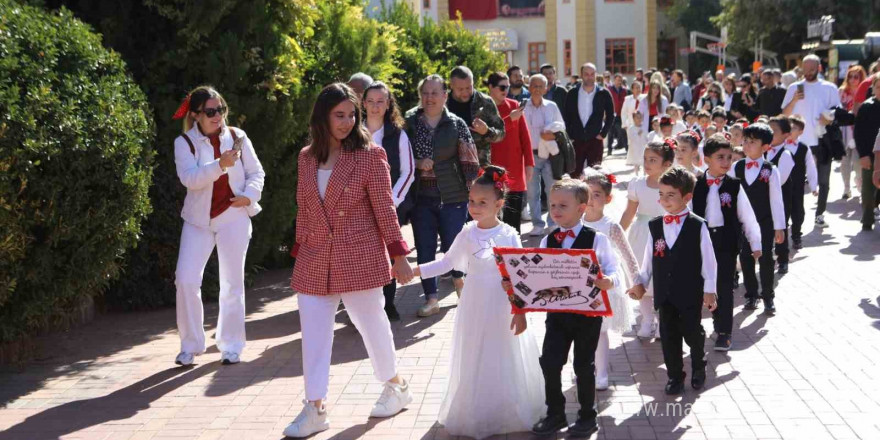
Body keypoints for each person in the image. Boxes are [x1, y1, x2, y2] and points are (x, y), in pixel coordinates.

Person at [285, 83, 413, 438]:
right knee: (313, 335)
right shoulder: (306, 157)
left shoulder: (371, 155)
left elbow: (386, 208)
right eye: (338, 115)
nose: (346, 122)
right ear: (322, 117)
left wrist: (398, 253)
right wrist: (300, 248)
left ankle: (396, 385)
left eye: (351, 115)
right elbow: (304, 206)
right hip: (314, 257)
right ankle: (315, 407)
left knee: (372, 326)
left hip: (359, 254)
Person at [414, 166, 545, 439]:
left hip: (500, 304)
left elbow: (518, 274)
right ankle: (478, 410)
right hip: (474, 302)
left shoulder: (509, 234)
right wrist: (416, 271)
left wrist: (520, 310)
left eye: (482, 202)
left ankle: (505, 408)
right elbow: (448, 262)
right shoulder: (467, 233)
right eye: (471, 201)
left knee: (502, 351)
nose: (474, 207)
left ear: (499, 204)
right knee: (476, 351)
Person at [171, 85, 266, 367]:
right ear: (197, 115)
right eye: (210, 112)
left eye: (221, 109)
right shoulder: (184, 143)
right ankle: (190, 345)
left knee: (232, 282)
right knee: (185, 279)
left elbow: (256, 172)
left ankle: (231, 345)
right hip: (198, 221)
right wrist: (220, 165)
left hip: (233, 216)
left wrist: (249, 195)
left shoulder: (237, 136)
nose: (217, 116)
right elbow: (190, 179)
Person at [530, 178, 621, 438]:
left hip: (587, 314)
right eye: (552, 205)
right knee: (550, 362)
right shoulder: (548, 240)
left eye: (563, 206)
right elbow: (537, 272)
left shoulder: (597, 239)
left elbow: (614, 270)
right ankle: (555, 413)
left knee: (583, 365)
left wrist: (608, 281)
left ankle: (587, 415)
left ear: (582, 208)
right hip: (557, 313)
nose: (556, 211)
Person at [627, 166, 718, 395]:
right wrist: (641, 282)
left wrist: (709, 289)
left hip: (690, 291)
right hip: (664, 292)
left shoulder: (698, 225)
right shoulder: (655, 225)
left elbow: (709, 260)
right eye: (661, 194)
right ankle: (675, 376)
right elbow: (648, 260)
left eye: (671, 195)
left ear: (687, 197)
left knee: (691, 331)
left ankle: (698, 366)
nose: (664, 200)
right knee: (668, 336)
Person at [405, 74, 481, 316]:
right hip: (421, 198)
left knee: (454, 246)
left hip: (453, 197)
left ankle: (459, 280)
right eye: (425, 93)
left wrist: (473, 196)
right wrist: (417, 162)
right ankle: (431, 298)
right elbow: (398, 157)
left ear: (445, 96)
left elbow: (470, 160)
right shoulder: (409, 122)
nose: (429, 98)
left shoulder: (456, 123)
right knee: (425, 249)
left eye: (435, 93)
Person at [693, 134, 762, 351]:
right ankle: (713, 319)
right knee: (705, 283)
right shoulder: (695, 185)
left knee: (724, 285)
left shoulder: (734, 186)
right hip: (702, 241)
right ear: (706, 159)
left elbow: (747, 215)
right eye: (720, 157)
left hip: (726, 241)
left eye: (729, 157)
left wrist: (756, 242)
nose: (725, 162)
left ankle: (725, 332)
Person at [582, 169, 638, 391]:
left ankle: (602, 372)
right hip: (579, 286)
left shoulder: (611, 227)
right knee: (581, 331)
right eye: (586, 193)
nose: (590, 200)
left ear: (608, 199)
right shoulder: (573, 223)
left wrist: (636, 282)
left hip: (605, 285)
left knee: (599, 330)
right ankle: (585, 369)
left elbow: (627, 256)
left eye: (596, 194)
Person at [363, 81, 415, 321]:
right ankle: (363, 307)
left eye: (380, 101)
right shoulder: (353, 132)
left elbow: (408, 171)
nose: (375, 107)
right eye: (371, 101)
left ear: (388, 104)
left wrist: (391, 200)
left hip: (388, 206)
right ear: (363, 103)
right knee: (361, 256)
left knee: (388, 253)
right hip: (358, 207)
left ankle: (388, 303)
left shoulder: (398, 134)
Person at [620, 140, 675, 339]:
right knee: (642, 280)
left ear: (667, 164)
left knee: (662, 280)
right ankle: (647, 320)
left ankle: (662, 323)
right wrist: (616, 235)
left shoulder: (672, 186)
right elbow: (629, 213)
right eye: (645, 159)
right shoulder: (637, 184)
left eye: (653, 159)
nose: (647, 163)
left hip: (665, 235)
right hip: (642, 234)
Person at [729, 123, 786, 315]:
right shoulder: (736, 167)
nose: (747, 145)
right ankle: (751, 294)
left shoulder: (770, 170)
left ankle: (768, 296)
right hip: (743, 223)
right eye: (745, 141)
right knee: (745, 257)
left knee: (766, 258)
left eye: (752, 142)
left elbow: (776, 200)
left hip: (764, 222)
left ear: (765, 147)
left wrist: (779, 227)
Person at [782, 54, 841, 228]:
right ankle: (793, 214)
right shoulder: (794, 87)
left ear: (819, 68)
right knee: (794, 181)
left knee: (824, 180)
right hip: (797, 143)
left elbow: (838, 111)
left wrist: (829, 118)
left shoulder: (829, 88)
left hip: (822, 141)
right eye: (805, 69)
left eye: (812, 69)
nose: (808, 73)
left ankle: (820, 213)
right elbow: (784, 114)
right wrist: (794, 100)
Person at [486, 72, 535, 233]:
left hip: (514, 170)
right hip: (490, 171)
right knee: (491, 220)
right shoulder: (484, 108)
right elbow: (487, 135)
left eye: (507, 86)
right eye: (501, 87)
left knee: (513, 222)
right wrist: (509, 120)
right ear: (491, 88)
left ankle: (513, 254)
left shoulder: (514, 105)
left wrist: (529, 164)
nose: (505, 90)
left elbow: (525, 138)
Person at [524, 74, 565, 236]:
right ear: (529, 87)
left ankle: (553, 222)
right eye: (534, 86)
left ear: (546, 88)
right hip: (530, 156)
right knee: (533, 192)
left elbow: (562, 128)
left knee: (552, 190)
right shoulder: (523, 106)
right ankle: (537, 224)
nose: (537, 89)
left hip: (550, 155)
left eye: (541, 86)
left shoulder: (552, 106)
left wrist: (553, 136)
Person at [447, 66, 506, 167]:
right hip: (450, 167)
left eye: (469, 87)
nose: (465, 92)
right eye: (460, 89)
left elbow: (501, 133)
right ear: (451, 85)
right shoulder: (442, 103)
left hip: (479, 166)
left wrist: (487, 131)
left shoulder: (485, 102)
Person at [563, 62, 615, 173]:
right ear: (581, 75)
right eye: (586, 74)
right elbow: (566, 116)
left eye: (592, 74)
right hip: (576, 140)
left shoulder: (603, 93)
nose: (589, 77)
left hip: (595, 140)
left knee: (594, 176)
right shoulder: (572, 93)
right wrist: (570, 135)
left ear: (596, 75)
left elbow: (611, 115)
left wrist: (603, 133)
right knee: (574, 174)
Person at [766, 116, 796, 274]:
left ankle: (783, 258)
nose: (770, 133)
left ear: (785, 135)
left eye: (774, 131)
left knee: (780, 226)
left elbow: (780, 180)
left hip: (780, 198)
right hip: (763, 198)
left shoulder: (785, 155)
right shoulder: (762, 151)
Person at [785, 116, 819, 247]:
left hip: (797, 186)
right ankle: (779, 239)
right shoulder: (779, 146)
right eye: (789, 127)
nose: (790, 130)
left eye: (794, 128)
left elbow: (811, 167)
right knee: (782, 211)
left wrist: (813, 185)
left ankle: (796, 236)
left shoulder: (804, 148)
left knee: (798, 211)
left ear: (801, 131)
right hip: (782, 185)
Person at [853, 75, 880, 231]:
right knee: (868, 189)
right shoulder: (866, 107)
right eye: (878, 87)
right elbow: (859, 133)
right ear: (873, 89)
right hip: (870, 154)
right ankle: (867, 218)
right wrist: (863, 155)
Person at [840, 65, 867, 199]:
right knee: (844, 161)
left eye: (856, 76)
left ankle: (860, 185)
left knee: (857, 162)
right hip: (845, 131)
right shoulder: (842, 92)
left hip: (859, 131)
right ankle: (846, 188)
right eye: (850, 76)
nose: (852, 79)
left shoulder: (865, 91)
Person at [607, 73, 629, 154]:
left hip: (621, 114)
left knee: (622, 131)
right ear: (614, 80)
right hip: (612, 114)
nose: (619, 82)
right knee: (610, 133)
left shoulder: (624, 90)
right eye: (617, 80)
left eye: (620, 80)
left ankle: (627, 148)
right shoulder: (609, 89)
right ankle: (609, 149)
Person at [626, 111, 647, 175]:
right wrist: (638, 134)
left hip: (642, 146)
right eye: (637, 117)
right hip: (635, 147)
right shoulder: (631, 128)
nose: (639, 119)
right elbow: (631, 137)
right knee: (636, 161)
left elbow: (646, 136)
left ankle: (644, 174)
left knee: (644, 160)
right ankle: (636, 174)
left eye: (640, 117)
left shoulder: (644, 127)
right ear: (633, 118)